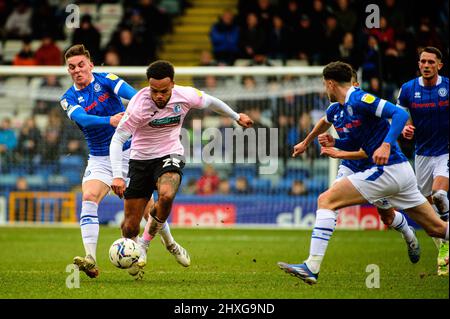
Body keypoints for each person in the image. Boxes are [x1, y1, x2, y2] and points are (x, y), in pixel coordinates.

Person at [278, 61, 448, 285]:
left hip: (388, 171)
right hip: (400, 173)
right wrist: (336, 142)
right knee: (437, 228)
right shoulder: (344, 107)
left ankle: (311, 267)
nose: (324, 89)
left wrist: (386, 144)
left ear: (330, 84)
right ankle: (312, 266)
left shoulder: (358, 99)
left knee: (326, 200)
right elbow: (358, 141)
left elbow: (397, 113)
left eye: (324, 85)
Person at [109, 60, 254, 279]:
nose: (158, 96)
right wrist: (117, 176)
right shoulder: (138, 105)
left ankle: (144, 247)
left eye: (164, 91)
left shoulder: (184, 95)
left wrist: (236, 116)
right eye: (154, 91)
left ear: (173, 85)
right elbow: (118, 139)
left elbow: (210, 100)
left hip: (170, 154)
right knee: (129, 228)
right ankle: (170, 245)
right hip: (140, 160)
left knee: (166, 195)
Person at [60, 45, 181, 279]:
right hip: (99, 159)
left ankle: (171, 243)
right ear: (68, 70)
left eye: (81, 65)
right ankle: (90, 259)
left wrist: (141, 109)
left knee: (148, 211)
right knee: (88, 197)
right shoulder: (68, 98)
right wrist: (110, 120)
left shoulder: (106, 79)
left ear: (91, 65)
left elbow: (133, 94)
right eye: (72, 67)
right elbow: (83, 119)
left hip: (131, 153)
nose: (77, 70)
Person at [291, 69, 421, 264]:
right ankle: (313, 262)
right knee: (328, 200)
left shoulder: (362, 105)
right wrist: (306, 142)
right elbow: (324, 122)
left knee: (386, 217)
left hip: (377, 166)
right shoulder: (336, 109)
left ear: (356, 85)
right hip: (351, 167)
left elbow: (366, 150)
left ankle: (408, 234)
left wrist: (339, 151)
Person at [397, 46, 449, 276]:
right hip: (422, 154)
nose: (426, 65)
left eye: (431, 62)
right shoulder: (408, 89)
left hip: (445, 151)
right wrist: (405, 129)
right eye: (422, 61)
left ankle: (446, 245)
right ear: (418, 64)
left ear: (439, 65)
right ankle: (444, 249)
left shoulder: (448, 86)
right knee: (427, 210)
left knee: (439, 195)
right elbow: (399, 118)